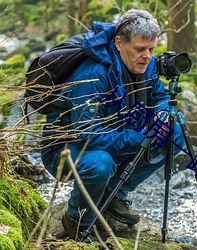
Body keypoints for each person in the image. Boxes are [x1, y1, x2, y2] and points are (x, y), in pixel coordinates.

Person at [41, 9, 185, 241]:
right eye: (140, 49)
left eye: (152, 49)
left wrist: (162, 114)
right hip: (66, 150)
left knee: (174, 131)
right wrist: (141, 138)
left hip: (116, 135)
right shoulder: (92, 75)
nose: (147, 56)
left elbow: (159, 97)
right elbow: (87, 135)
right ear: (119, 43)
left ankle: (115, 193)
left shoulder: (145, 65)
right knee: (100, 164)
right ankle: (76, 221)